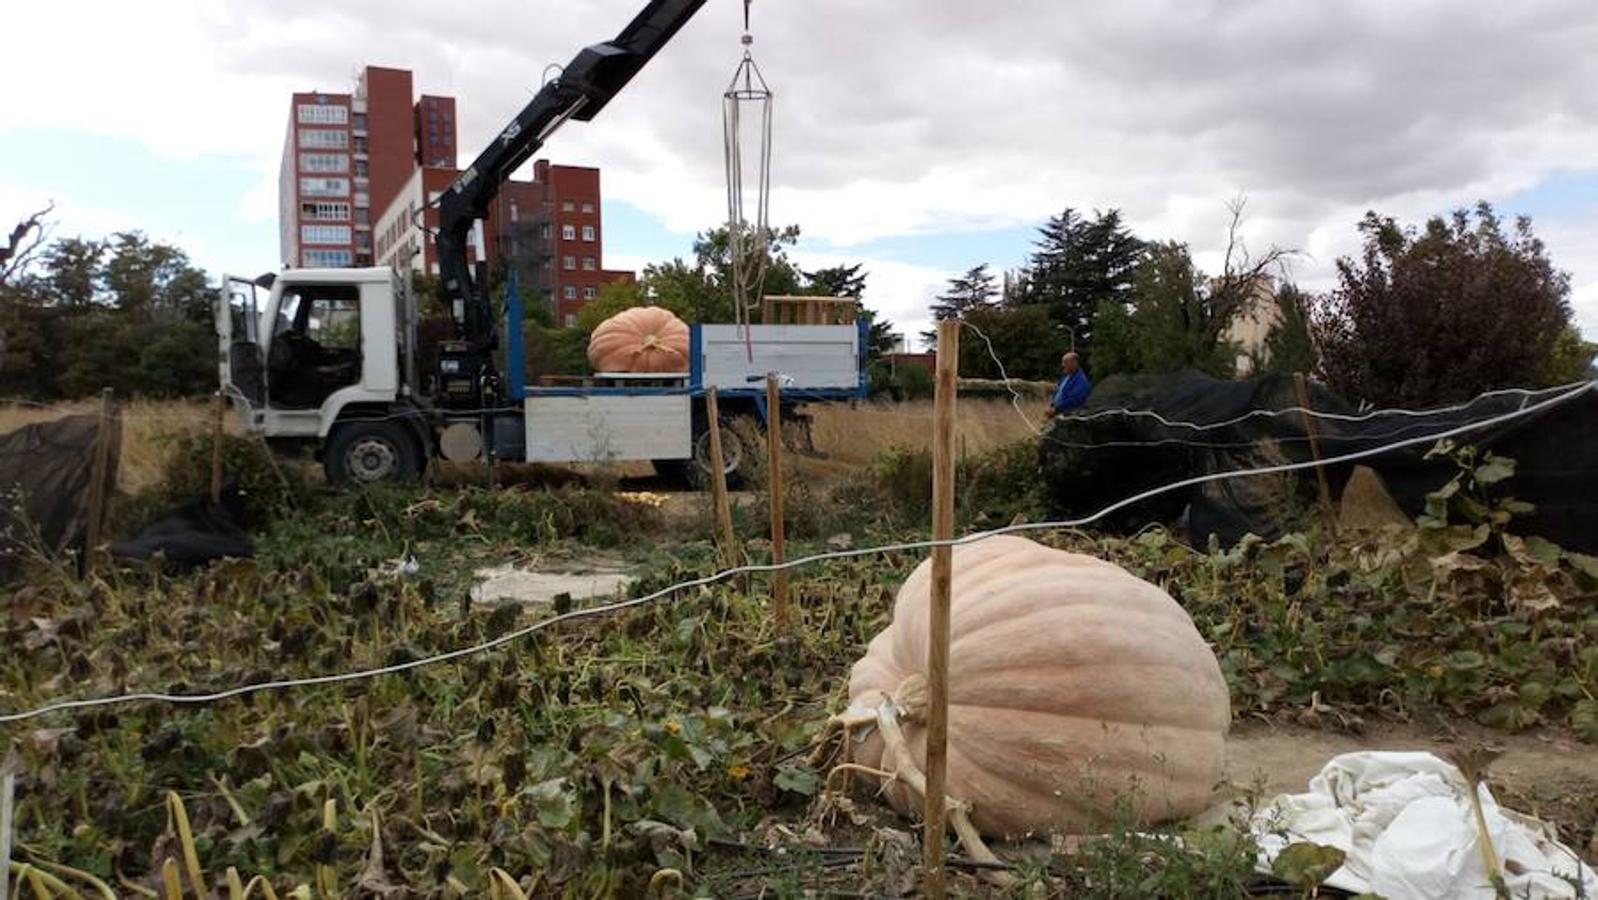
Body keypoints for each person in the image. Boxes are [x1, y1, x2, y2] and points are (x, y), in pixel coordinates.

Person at [1048, 351, 1091, 416]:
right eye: (1062, 362)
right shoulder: (1064, 378)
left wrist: (1057, 409)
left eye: (1065, 362)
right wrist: (1052, 404)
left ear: (1075, 363)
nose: (1062, 365)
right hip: (1058, 413)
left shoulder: (1081, 380)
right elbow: (1058, 392)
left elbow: (1075, 399)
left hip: (1071, 416)